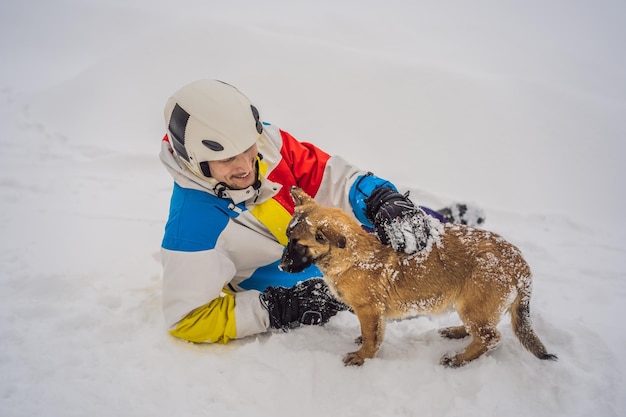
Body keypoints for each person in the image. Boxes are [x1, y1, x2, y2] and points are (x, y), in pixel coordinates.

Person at [159, 79, 484, 344]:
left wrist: (381, 198)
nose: (246, 166)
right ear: (195, 161)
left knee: (393, 231)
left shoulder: (268, 144)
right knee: (399, 288)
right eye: (228, 159)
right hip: (287, 280)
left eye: (247, 148)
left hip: (323, 235)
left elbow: (331, 178)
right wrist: (278, 309)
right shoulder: (192, 225)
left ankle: (437, 222)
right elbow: (187, 319)